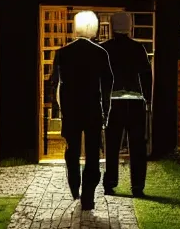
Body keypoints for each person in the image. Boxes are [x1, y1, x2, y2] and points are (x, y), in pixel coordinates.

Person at [50, 11, 114, 210]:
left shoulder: (63, 52)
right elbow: (108, 83)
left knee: (72, 148)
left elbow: (54, 82)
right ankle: (88, 194)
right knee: (93, 152)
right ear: (93, 28)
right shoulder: (100, 53)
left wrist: (58, 106)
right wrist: (106, 109)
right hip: (92, 108)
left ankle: (74, 184)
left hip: (71, 108)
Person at [100, 12, 153, 197]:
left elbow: (102, 78)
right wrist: (148, 99)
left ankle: (110, 183)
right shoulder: (138, 48)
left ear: (112, 27)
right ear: (129, 27)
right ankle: (137, 186)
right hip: (136, 101)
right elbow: (146, 75)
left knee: (112, 145)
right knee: (137, 145)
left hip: (114, 102)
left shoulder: (104, 49)